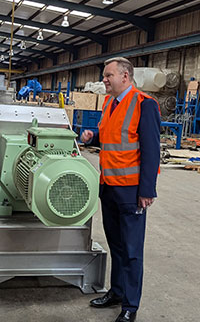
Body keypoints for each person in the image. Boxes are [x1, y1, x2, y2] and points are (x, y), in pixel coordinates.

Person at [81, 57, 161, 322]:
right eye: (105, 75)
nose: (104, 79)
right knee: (116, 245)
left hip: (131, 191)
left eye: (108, 75)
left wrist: (147, 190)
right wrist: (95, 136)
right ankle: (116, 292)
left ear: (125, 76)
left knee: (131, 251)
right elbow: (115, 136)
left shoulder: (144, 104)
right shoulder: (110, 103)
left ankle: (130, 306)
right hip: (110, 187)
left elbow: (151, 150)